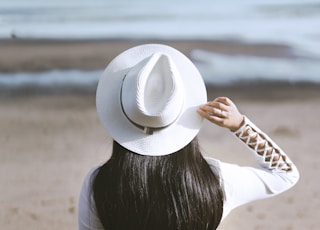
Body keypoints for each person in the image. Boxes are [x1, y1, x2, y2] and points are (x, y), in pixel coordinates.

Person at [78, 44, 299, 230]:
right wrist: (240, 126)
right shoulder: (215, 180)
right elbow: (284, 173)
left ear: (122, 116)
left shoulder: (99, 183)